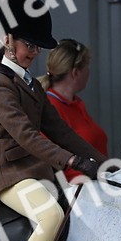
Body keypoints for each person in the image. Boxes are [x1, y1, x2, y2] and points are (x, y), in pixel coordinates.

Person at [0, 0, 105, 241]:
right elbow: (27, 136)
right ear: (7, 39)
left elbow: (59, 130)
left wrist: (103, 163)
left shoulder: (30, 85)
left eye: (37, 47)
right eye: (28, 44)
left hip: (33, 171)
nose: (34, 52)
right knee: (50, 215)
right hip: (8, 173)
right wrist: (71, 161)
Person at [39, 38, 107, 182]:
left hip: (96, 186)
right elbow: (47, 157)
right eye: (87, 65)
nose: (89, 71)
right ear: (76, 72)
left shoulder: (76, 104)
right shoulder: (50, 107)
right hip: (77, 192)